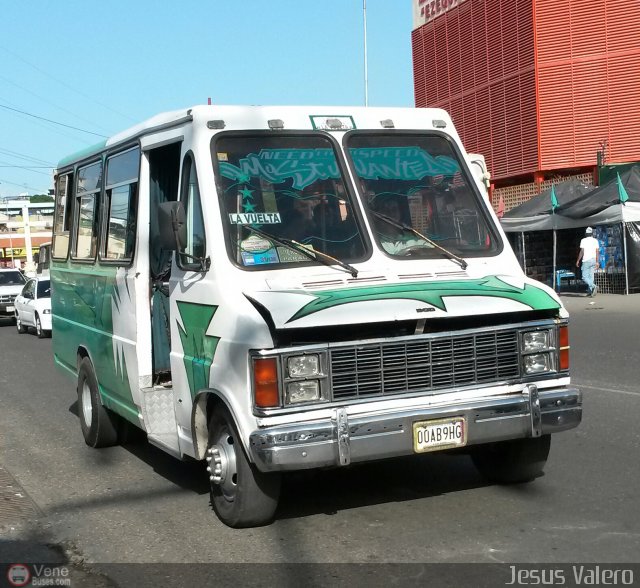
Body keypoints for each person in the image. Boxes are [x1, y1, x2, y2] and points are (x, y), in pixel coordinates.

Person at [576, 227, 599, 297]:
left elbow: (582, 251)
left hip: (586, 260)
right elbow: (597, 251)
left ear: (586, 234)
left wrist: (578, 260)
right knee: (591, 276)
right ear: (592, 233)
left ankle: (594, 286)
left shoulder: (583, 240)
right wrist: (597, 262)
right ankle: (590, 291)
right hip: (593, 260)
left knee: (584, 277)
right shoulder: (595, 240)